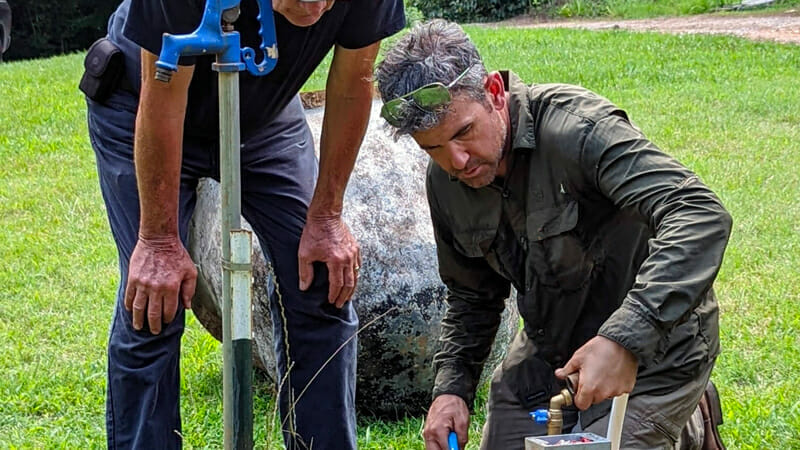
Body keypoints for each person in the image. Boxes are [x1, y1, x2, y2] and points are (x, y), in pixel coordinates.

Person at [375, 19, 730, 450]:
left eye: (464, 132)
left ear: (493, 91)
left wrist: (626, 339)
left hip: (657, 348)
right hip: (554, 348)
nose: (457, 161)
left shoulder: (578, 129)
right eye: (432, 148)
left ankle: (689, 420)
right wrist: (452, 388)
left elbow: (698, 212)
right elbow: (472, 295)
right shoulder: (446, 181)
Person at [83, 0, 404, 448]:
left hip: (262, 115)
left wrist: (327, 215)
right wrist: (158, 241)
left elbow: (354, 84)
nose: (314, 6)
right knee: (156, 297)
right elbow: (165, 96)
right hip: (143, 103)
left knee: (321, 278)